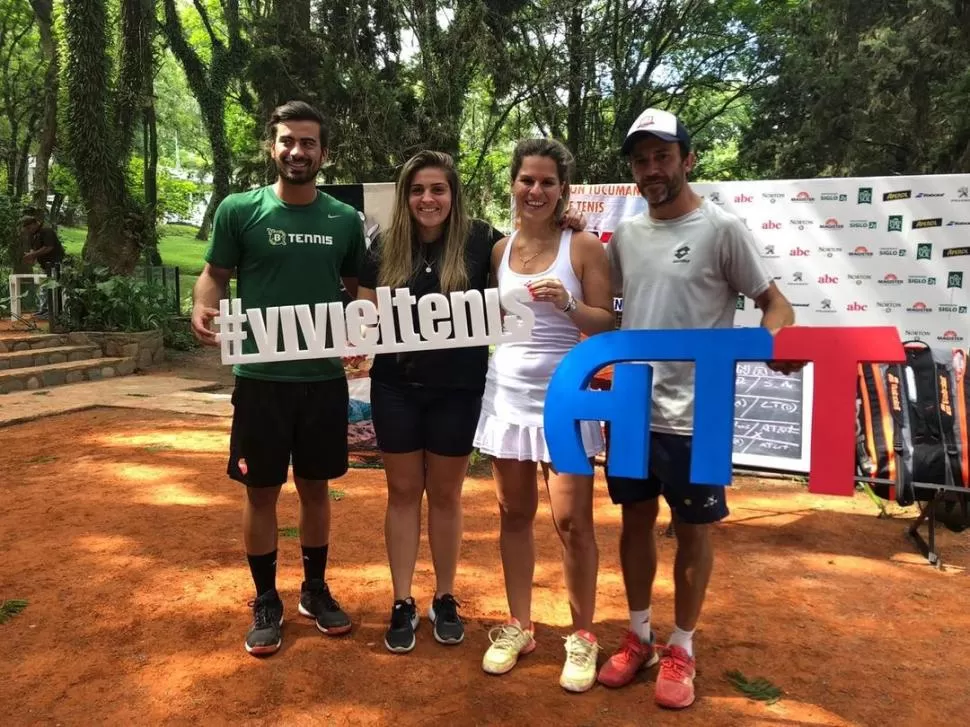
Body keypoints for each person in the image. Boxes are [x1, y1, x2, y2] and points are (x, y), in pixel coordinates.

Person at [595, 107, 799, 708]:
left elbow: (774, 303)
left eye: (662, 156)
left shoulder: (721, 229)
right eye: (641, 159)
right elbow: (610, 313)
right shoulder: (626, 236)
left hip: (696, 413)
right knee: (633, 525)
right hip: (632, 407)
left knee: (692, 531)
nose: (652, 169)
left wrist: (777, 339)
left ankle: (682, 645)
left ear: (688, 158)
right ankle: (638, 638)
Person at [356, 150, 588, 655]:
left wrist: (565, 219)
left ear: (453, 196)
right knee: (401, 492)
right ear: (405, 195)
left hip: (460, 389)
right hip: (395, 387)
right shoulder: (383, 246)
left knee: (445, 495)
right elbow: (364, 312)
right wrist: (355, 336)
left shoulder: (483, 241)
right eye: (418, 190)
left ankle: (444, 596)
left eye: (438, 189)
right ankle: (402, 601)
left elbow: (532, 245)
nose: (428, 199)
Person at [190, 100, 366, 657]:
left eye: (308, 142)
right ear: (273, 147)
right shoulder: (240, 210)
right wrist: (202, 305)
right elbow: (214, 275)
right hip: (261, 378)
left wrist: (361, 326)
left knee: (316, 488)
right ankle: (266, 598)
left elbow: (358, 285)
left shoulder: (343, 218)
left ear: (323, 152)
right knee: (261, 492)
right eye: (288, 140)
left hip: (322, 380)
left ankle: (314, 589)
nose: (297, 151)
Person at [472, 138, 615, 693]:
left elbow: (607, 323)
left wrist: (569, 305)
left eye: (547, 182)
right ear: (514, 183)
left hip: (568, 399)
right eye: (527, 180)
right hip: (506, 396)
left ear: (563, 190)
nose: (535, 191)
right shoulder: (498, 250)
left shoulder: (583, 248)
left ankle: (582, 635)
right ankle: (519, 624)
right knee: (513, 516)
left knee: (572, 522)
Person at [21, 215, 64, 319]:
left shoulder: (46, 231)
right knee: (43, 288)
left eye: (29, 228)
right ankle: (44, 309)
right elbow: (33, 250)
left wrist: (33, 255)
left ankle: (54, 311)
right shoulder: (33, 235)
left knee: (53, 288)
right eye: (26, 229)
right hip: (44, 266)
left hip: (54, 264)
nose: (29, 230)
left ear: (35, 223)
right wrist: (30, 257)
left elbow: (48, 247)